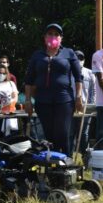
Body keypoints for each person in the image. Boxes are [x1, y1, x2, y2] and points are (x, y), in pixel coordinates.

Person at [24, 23, 83, 155]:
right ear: (45, 37)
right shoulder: (37, 55)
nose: (53, 36)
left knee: (62, 133)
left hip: (64, 100)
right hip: (43, 101)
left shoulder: (69, 53)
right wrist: (27, 100)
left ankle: (66, 162)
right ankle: (53, 165)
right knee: (50, 135)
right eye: (50, 34)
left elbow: (79, 78)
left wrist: (78, 97)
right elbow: (28, 80)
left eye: (56, 34)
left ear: (61, 38)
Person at [70, 50, 96, 156]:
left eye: (81, 58)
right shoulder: (67, 72)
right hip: (70, 106)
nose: (79, 60)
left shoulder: (90, 73)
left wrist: (91, 105)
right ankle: (69, 157)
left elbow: (93, 90)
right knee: (70, 132)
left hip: (85, 107)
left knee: (84, 133)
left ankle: (85, 157)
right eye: (76, 58)